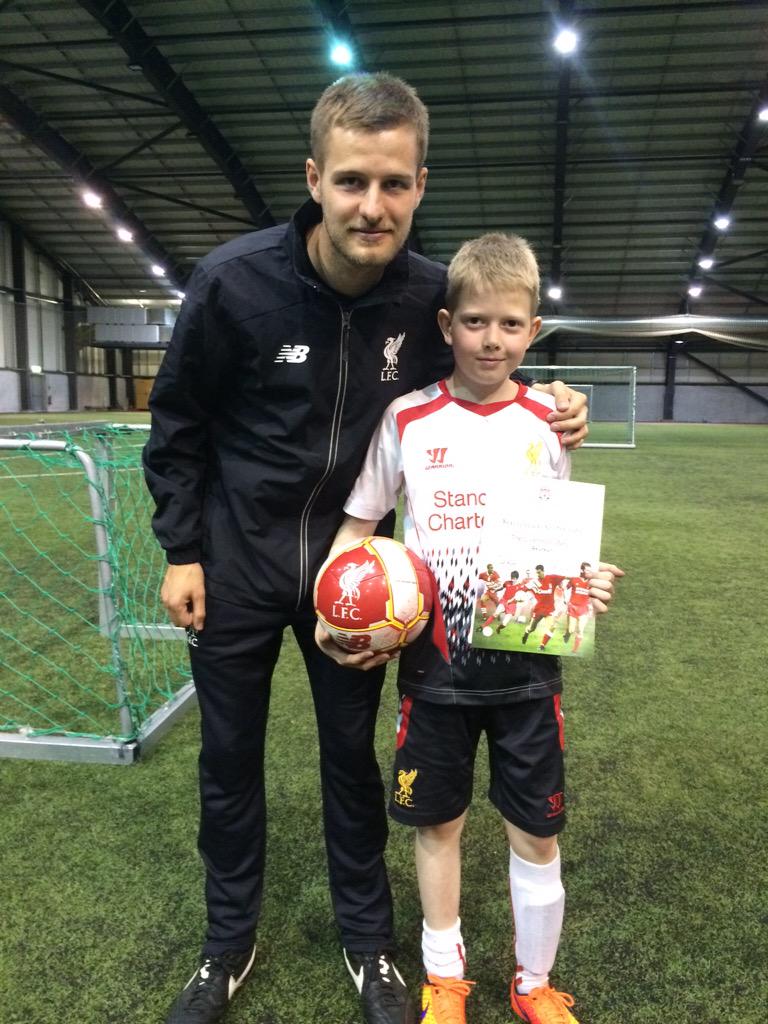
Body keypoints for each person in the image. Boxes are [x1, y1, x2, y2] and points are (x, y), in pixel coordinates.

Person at [143, 73, 590, 1024]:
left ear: (420, 185)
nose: (371, 205)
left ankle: (368, 946)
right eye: (351, 181)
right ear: (315, 178)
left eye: (393, 183)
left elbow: (487, 370)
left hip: (361, 580)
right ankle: (227, 945)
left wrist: (555, 402)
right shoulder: (234, 283)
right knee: (228, 760)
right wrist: (184, 551)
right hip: (235, 562)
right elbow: (176, 423)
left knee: (351, 758)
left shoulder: (433, 297)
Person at [316, 232, 623, 1024]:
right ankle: (444, 978)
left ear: (533, 330)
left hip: (526, 668)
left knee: (536, 832)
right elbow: (360, 525)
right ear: (447, 324)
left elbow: (556, 537)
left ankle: (534, 982)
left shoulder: (549, 421)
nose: (493, 340)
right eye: (477, 322)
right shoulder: (408, 418)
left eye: (511, 325)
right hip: (433, 669)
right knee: (438, 825)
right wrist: (335, 606)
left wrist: (585, 578)